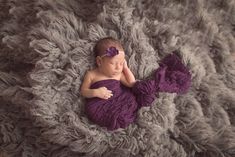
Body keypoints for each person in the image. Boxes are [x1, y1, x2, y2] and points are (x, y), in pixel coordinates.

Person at [80, 37, 191, 130]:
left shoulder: (118, 74)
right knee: (90, 110)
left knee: (130, 101)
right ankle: (111, 118)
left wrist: (126, 68)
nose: (118, 67)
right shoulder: (92, 75)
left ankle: (120, 117)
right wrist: (95, 92)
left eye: (121, 63)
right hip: (98, 104)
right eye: (113, 63)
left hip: (118, 99)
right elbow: (84, 91)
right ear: (99, 61)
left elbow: (131, 83)